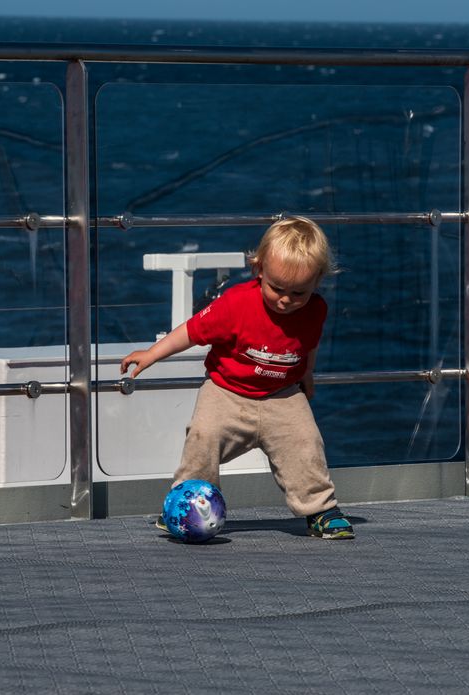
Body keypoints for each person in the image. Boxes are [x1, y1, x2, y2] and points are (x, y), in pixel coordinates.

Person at [121, 215, 354, 540]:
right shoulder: (235, 303)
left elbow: (307, 345)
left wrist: (308, 374)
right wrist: (151, 354)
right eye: (277, 288)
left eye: (299, 292)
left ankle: (321, 509)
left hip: (283, 394)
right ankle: (183, 504)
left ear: (318, 281)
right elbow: (190, 332)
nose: (286, 300)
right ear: (258, 270)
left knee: (306, 443)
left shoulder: (315, 309)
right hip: (226, 391)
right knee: (203, 437)